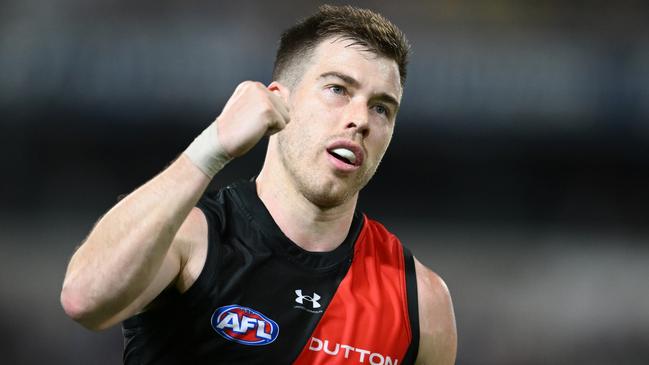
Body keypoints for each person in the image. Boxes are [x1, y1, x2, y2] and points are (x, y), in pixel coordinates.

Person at [61, 4, 457, 364]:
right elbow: (84, 300)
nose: (361, 120)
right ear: (279, 102)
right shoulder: (192, 238)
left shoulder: (421, 300)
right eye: (338, 89)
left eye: (381, 107)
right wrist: (210, 147)